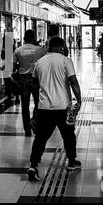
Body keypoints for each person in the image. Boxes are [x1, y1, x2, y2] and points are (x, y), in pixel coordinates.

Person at [27, 37, 82, 181]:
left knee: (40, 137)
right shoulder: (65, 61)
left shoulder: (39, 62)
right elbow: (73, 81)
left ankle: (33, 165)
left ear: (49, 47)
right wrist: (79, 100)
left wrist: (39, 100)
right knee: (68, 135)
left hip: (44, 107)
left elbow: (34, 84)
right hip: (63, 107)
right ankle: (71, 161)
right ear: (62, 47)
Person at [13, 30, 45, 136]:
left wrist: (21, 66)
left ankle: (27, 129)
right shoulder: (40, 50)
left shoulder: (18, 50)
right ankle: (34, 120)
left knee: (25, 104)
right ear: (33, 38)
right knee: (38, 103)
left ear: (24, 38)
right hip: (36, 79)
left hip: (23, 79)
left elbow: (12, 67)